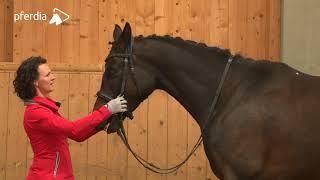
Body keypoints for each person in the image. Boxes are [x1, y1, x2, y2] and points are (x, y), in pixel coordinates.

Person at [13, 56, 127, 180]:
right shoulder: (37, 113)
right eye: (47, 75)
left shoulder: (45, 109)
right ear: (34, 81)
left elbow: (77, 136)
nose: (53, 77)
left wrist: (101, 126)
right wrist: (107, 109)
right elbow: (74, 129)